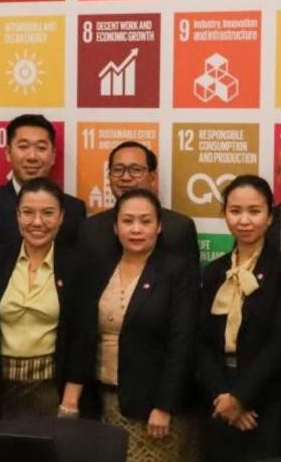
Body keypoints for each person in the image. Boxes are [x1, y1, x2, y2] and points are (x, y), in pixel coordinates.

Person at [88, 188, 198, 462]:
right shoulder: (101, 267)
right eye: (127, 221)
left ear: (159, 227)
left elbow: (181, 343)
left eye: (145, 221)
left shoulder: (177, 270)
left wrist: (164, 405)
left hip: (153, 408)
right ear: (115, 227)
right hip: (104, 398)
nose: (136, 229)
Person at [198, 175, 281, 461]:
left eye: (254, 212)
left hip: (266, 403)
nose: (244, 220)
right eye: (235, 211)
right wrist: (224, 398)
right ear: (225, 214)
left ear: (270, 217)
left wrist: (241, 398)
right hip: (219, 401)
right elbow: (202, 342)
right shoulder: (214, 271)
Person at [0, 178, 89, 424]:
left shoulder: (76, 265)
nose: (37, 222)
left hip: (51, 392)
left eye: (48, 213)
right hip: (0, 392)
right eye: (28, 213)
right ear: (17, 215)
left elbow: (83, 338)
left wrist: (69, 403)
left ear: (61, 217)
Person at [83, 141, 199, 273]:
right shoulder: (90, 228)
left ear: (152, 177)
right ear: (109, 176)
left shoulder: (179, 227)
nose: (126, 177)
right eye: (118, 170)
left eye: (136, 170)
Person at [0, 114, 86, 248]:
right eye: (23, 147)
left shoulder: (74, 209)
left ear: (53, 156)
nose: (32, 157)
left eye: (41, 148)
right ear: (8, 153)